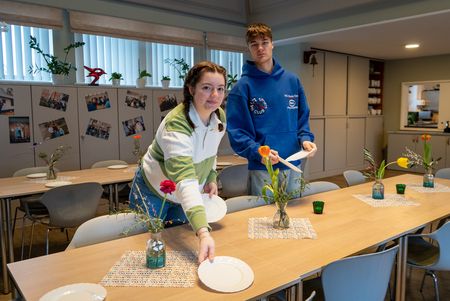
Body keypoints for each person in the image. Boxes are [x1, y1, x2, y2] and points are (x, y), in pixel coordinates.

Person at [129, 61, 227, 263]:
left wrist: (210, 176)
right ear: (191, 89)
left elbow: (211, 151)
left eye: (220, 89)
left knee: (177, 246)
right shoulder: (177, 124)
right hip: (154, 190)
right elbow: (185, 180)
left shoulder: (219, 117)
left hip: (183, 194)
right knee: (149, 249)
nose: (215, 95)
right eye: (207, 88)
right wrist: (204, 233)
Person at [226, 23, 317, 196]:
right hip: (262, 168)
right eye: (254, 44)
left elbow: (302, 119)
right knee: (264, 218)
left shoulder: (292, 81)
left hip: (293, 164)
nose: (260, 48)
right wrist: (258, 151)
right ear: (248, 48)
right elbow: (237, 133)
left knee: (295, 216)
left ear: (272, 44)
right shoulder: (242, 88)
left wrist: (305, 139)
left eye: (265, 42)